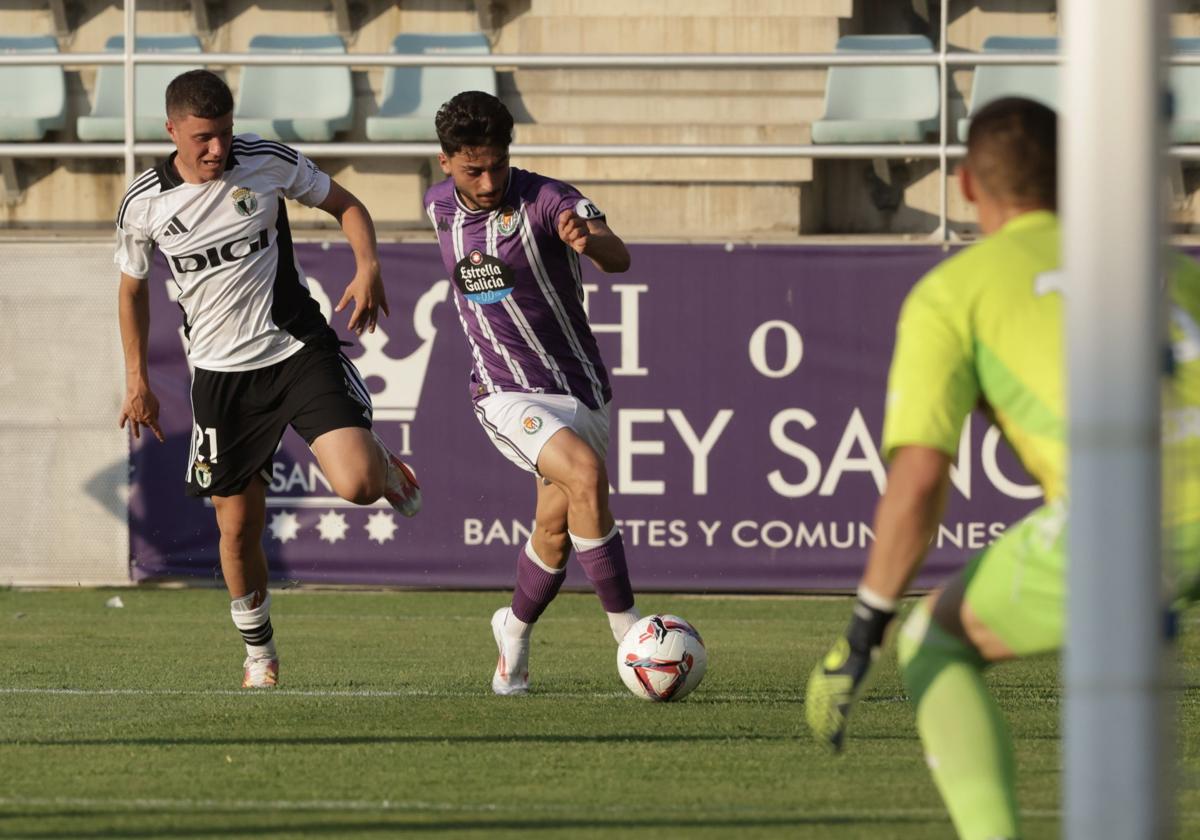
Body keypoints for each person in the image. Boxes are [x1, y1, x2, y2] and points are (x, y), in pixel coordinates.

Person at [804, 96, 1200, 839]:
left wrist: (863, 630)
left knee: (933, 643)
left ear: (966, 186)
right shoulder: (1166, 268)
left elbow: (919, 479)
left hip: (1133, 515)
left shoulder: (955, 292)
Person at [115, 69, 422, 689]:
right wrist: (137, 380)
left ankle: (382, 465)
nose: (217, 149)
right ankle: (260, 654)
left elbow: (348, 205)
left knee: (359, 486)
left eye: (224, 133)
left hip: (294, 349)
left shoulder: (265, 160)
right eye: (202, 137)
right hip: (221, 378)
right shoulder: (144, 203)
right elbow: (131, 292)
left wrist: (367, 266)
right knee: (236, 530)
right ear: (171, 130)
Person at [424, 90, 640, 695]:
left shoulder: (549, 199)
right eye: (473, 169)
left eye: (497, 164)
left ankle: (512, 633)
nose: (488, 180)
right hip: (504, 391)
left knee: (553, 529)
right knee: (587, 475)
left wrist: (588, 241)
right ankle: (631, 637)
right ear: (446, 162)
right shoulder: (438, 206)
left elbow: (617, 255)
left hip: (581, 389)